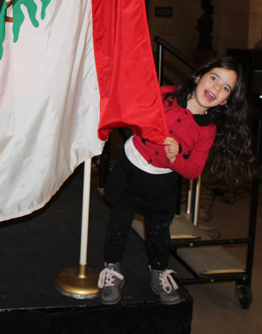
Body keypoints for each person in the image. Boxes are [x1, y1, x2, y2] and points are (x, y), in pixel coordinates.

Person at [98, 56, 258, 306]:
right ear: (198, 76)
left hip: (162, 182)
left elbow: (194, 170)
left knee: (159, 232)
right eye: (214, 78)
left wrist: (174, 158)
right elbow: (136, 105)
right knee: (119, 222)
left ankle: (158, 273)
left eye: (225, 88)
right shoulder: (167, 95)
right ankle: (112, 269)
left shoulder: (208, 129)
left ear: (226, 100)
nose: (216, 88)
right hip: (131, 167)